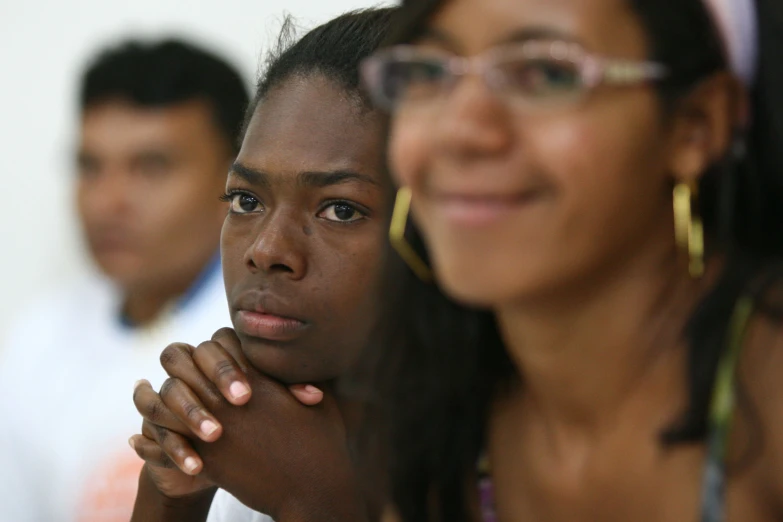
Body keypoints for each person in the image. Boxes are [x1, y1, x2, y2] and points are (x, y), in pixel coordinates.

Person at [356, 0, 783, 520]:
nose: (460, 130)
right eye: (427, 71)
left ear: (696, 124)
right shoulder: (442, 412)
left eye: (546, 72)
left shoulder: (768, 396)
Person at [127, 9, 394, 522]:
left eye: (341, 209)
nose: (266, 250)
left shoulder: (521, 458)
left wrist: (311, 497)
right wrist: (170, 496)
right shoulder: (251, 436)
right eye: (246, 200)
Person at [0, 39, 248, 522]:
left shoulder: (271, 332)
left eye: (152, 166)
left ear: (237, 177)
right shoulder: (35, 341)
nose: (107, 201)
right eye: (90, 166)